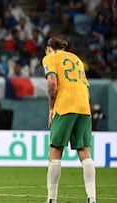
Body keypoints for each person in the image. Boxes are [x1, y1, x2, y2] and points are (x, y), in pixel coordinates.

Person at [42, 36, 96, 203]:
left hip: (65, 105)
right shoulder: (77, 59)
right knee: (85, 152)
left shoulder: (50, 57)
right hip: (83, 106)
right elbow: (86, 88)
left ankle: (52, 199)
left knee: (56, 150)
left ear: (48, 49)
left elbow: (52, 82)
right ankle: (92, 198)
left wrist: (51, 107)